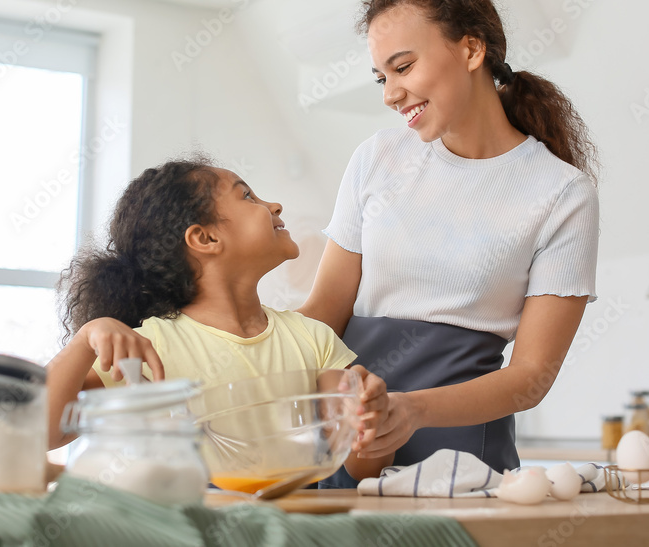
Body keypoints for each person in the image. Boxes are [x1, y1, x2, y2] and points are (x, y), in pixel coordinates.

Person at [298, 0, 600, 488]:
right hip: (351, 438)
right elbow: (322, 316)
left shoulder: (561, 194)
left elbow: (531, 377)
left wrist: (409, 410)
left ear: (471, 50)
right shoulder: (377, 159)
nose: (391, 93)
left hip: (461, 459)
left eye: (404, 66)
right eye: (382, 77)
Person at [44, 157, 392, 481]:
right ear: (205, 238)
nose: (274, 206)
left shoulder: (314, 339)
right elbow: (45, 432)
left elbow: (364, 466)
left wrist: (369, 413)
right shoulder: (145, 348)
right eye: (248, 197)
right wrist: (87, 337)